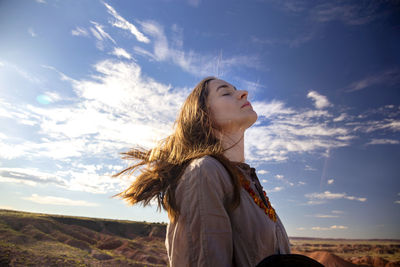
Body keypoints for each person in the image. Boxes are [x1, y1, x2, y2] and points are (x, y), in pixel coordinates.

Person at [114, 77, 291, 266]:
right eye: (225, 92)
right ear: (204, 117)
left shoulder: (248, 181)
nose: (243, 93)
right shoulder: (204, 171)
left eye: (236, 89)